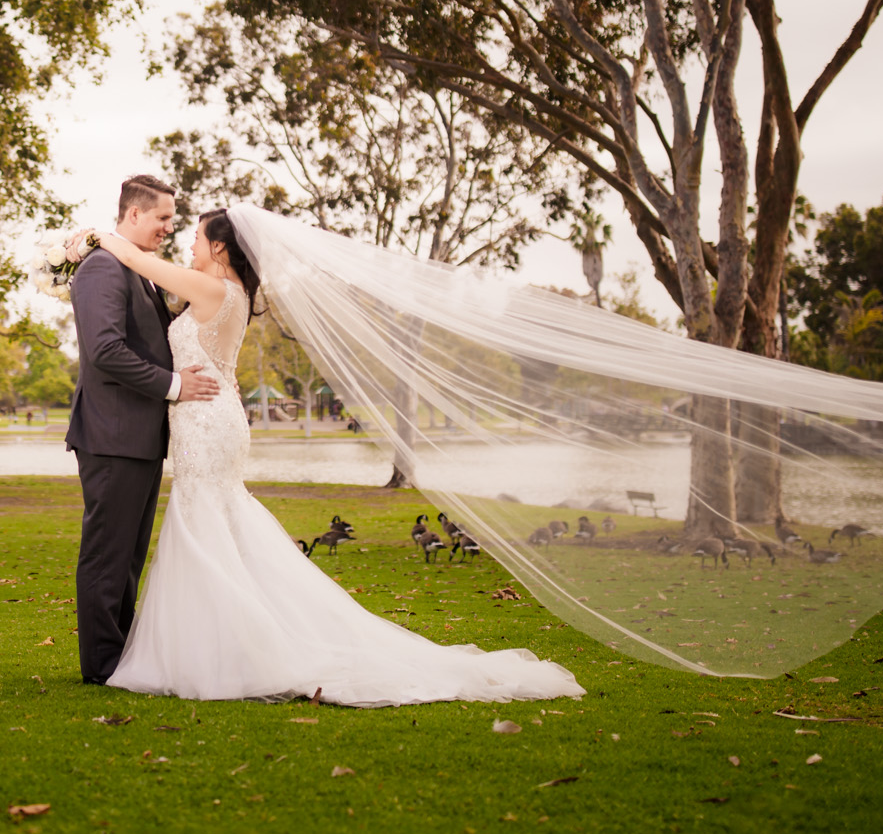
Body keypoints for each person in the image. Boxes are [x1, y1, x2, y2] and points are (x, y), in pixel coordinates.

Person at [68, 205, 585, 708]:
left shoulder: (210, 287)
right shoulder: (237, 293)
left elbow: (139, 263)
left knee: (204, 520)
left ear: (220, 246)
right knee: (217, 522)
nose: (189, 242)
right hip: (214, 414)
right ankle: (222, 642)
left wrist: (95, 240)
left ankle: (220, 653)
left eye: (198, 236)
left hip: (207, 420)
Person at [63, 175, 222, 686]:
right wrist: (175, 386)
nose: (168, 228)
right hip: (111, 435)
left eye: (172, 221)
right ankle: (102, 666)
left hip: (139, 438)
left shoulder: (138, 270)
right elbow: (106, 351)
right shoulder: (102, 269)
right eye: (162, 218)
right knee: (107, 555)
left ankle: (123, 658)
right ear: (133, 215)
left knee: (128, 557)